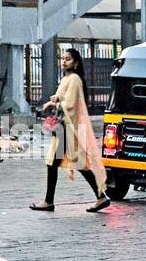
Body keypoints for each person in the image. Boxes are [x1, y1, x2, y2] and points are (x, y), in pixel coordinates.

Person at [32, 47, 109, 212]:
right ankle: (101, 197)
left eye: (68, 59)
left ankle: (49, 201)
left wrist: (52, 103)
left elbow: (70, 104)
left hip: (67, 129)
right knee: (76, 163)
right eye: (63, 59)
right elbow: (64, 98)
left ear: (75, 63)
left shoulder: (74, 79)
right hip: (64, 128)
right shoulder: (67, 78)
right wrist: (56, 99)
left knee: (53, 163)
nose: (64, 62)